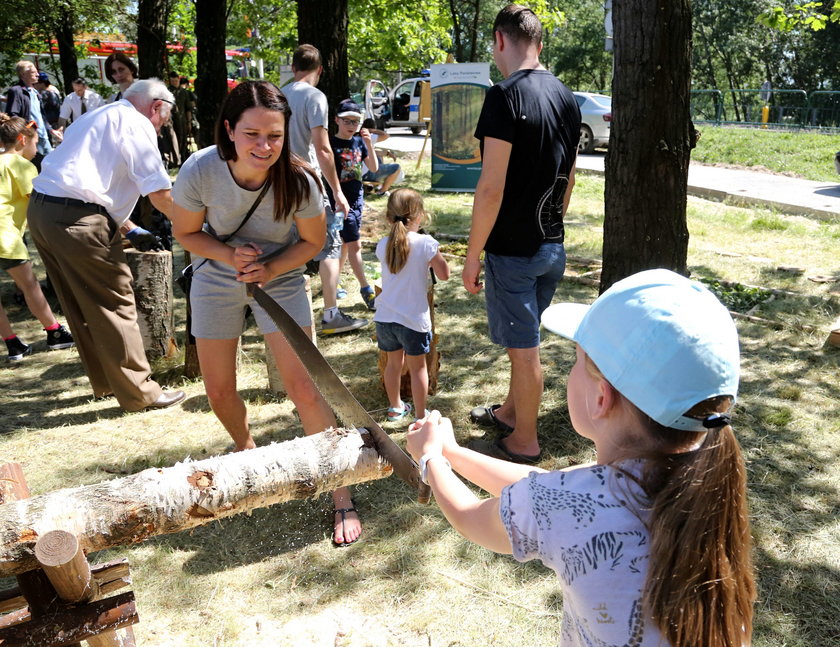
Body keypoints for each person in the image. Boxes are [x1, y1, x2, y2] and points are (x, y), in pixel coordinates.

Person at [407, 268, 757, 647]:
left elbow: (471, 517)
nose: (570, 373)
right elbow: (541, 487)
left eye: (576, 362)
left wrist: (430, 460)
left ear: (601, 398)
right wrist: (453, 453)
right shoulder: (702, 470)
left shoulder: (572, 501)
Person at [170, 80, 362, 547]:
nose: (264, 146)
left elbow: (313, 244)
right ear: (230, 130)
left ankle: (342, 495)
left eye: (274, 135)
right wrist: (230, 256)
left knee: (305, 387)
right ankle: (248, 453)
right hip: (217, 274)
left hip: (281, 276)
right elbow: (187, 234)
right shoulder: (200, 170)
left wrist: (269, 265)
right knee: (218, 391)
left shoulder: (300, 180)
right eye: (253, 134)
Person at [464, 5, 580, 464]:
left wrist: (472, 255)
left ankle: (524, 440)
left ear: (499, 40)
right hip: (552, 245)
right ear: (541, 44)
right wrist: (552, 231)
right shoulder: (567, 97)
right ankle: (511, 412)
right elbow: (569, 179)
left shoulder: (502, 96)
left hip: (513, 250)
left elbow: (490, 187)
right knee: (525, 341)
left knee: (524, 351)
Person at [26, 79, 185, 412]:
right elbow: (159, 194)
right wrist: (198, 230)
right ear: (156, 107)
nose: (160, 127)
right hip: (75, 219)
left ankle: (108, 383)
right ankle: (142, 392)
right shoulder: (136, 123)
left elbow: (88, 181)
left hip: (43, 210)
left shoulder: (98, 116)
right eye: (164, 120)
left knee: (80, 301)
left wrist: (129, 227)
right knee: (115, 299)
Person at [281, 44, 366, 336]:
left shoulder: (279, 95)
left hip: (279, 183)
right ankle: (331, 315)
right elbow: (323, 148)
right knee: (329, 247)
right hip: (307, 181)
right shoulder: (314, 97)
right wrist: (338, 192)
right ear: (319, 70)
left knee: (285, 243)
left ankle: (281, 311)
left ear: (293, 68)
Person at [0, 114, 73, 361]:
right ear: (22, 140)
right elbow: (38, 202)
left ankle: (12, 344)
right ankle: (55, 333)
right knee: (30, 286)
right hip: (5, 235)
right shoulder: (21, 165)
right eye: (35, 142)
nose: (36, 148)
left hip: (5, 234)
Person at [375, 189, 449, 421]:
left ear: (389, 217)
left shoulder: (383, 244)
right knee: (418, 368)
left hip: (386, 318)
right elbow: (444, 274)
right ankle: (419, 415)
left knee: (393, 365)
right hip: (414, 320)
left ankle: (396, 407)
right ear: (419, 216)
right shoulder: (426, 243)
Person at [329, 99, 378, 312]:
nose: (351, 125)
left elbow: (374, 167)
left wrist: (368, 144)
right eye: (347, 121)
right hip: (340, 203)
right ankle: (366, 289)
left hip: (357, 199)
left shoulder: (358, 142)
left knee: (345, 244)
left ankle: (334, 282)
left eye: (356, 121)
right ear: (337, 120)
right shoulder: (330, 144)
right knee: (355, 244)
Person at [4, 61, 55, 169]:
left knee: (49, 166)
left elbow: (41, 116)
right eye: (34, 72)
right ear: (23, 74)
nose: (37, 75)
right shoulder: (16, 91)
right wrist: (26, 131)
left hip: (43, 136)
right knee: (35, 168)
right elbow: (13, 115)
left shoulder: (35, 92)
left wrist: (51, 129)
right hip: (29, 139)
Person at [360, 118, 402, 198]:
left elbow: (371, 153)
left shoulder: (358, 137)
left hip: (361, 173)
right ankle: (382, 191)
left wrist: (386, 153)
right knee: (396, 167)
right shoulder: (370, 137)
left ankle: (374, 186)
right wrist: (372, 130)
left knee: (378, 157)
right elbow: (386, 135)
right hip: (367, 173)